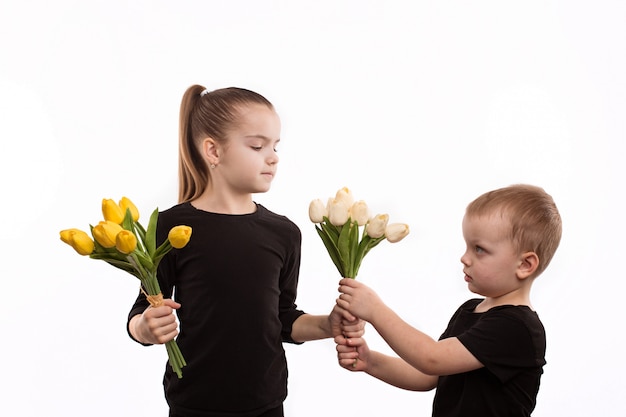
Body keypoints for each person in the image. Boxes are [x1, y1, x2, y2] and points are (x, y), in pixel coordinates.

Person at [127, 84, 363, 417]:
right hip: (193, 406)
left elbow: (282, 319)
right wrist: (145, 328)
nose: (273, 157)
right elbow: (140, 312)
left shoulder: (284, 233)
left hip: (266, 405)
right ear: (213, 151)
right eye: (257, 145)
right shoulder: (169, 228)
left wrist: (329, 325)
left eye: (275, 146)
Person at [335, 184, 562, 417]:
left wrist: (375, 310)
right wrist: (371, 361)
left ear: (524, 265)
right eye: (467, 246)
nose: (465, 258)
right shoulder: (471, 310)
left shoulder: (516, 327)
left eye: (479, 249)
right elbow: (430, 375)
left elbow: (432, 359)